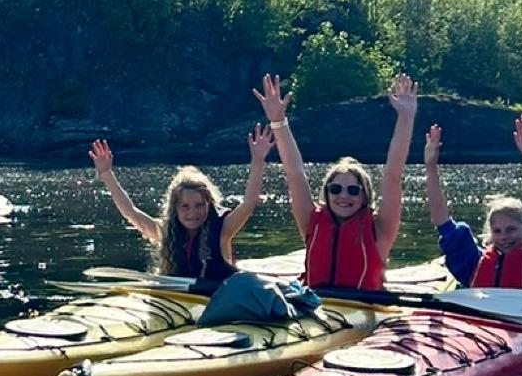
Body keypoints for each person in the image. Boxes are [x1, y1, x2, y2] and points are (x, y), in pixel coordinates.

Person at [253, 73, 418, 291]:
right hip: (317, 310)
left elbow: (392, 176)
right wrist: (278, 122)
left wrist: (406, 118)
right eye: (336, 189)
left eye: (352, 190)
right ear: (327, 193)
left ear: (364, 196)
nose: (343, 195)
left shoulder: (380, 230)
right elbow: (295, 174)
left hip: (365, 309)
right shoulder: (312, 222)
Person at [87, 125, 275, 281]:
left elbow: (249, 203)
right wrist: (106, 175)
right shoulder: (164, 231)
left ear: (209, 205)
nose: (193, 213)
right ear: (175, 209)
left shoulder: (223, 230)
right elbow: (130, 212)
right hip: (177, 299)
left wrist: (258, 160)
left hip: (216, 296)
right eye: (185, 206)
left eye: (199, 205)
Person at [424, 114, 522, 293]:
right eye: (497, 231)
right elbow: (441, 221)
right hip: (484, 318)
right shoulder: (474, 263)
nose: (504, 237)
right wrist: (430, 166)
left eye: (511, 229)